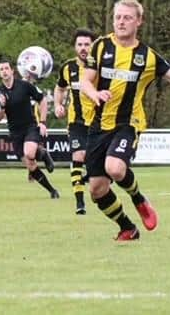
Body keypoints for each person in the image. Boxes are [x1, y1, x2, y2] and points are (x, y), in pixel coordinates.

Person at [81, 0, 170, 242]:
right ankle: (127, 227)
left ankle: (138, 198)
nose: (121, 22)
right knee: (97, 189)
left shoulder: (147, 57)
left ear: (139, 21)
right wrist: (94, 93)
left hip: (128, 123)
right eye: (118, 17)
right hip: (98, 126)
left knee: (115, 168)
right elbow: (86, 80)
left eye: (127, 17)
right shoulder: (101, 46)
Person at [0, 58, 59, 198]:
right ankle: (52, 191)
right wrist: (2, 106)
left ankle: (43, 154)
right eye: (1, 69)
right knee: (30, 165)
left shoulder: (24, 86)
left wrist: (43, 122)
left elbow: (42, 100)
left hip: (29, 127)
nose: (4, 71)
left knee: (29, 153)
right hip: (14, 132)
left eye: (6, 68)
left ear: (12, 71)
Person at [54, 28, 96, 215]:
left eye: (87, 44)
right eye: (80, 44)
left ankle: (92, 176)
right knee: (78, 157)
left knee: (100, 163)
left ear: (93, 46)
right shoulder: (68, 68)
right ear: (75, 47)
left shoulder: (101, 68)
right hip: (76, 122)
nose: (83, 48)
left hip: (99, 121)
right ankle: (80, 203)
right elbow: (60, 88)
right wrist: (58, 104)